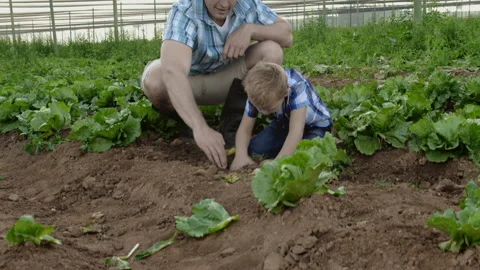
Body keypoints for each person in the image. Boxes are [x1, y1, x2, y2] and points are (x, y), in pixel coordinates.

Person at [141, 0, 293, 169]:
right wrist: (200, 127)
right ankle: (188, 125)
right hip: (189, 82)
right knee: (155, 81)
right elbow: (173, 72)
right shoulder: (185, 11)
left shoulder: (247, 5)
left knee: (272, 51)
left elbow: (286, 36)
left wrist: (250, 29)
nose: (224, 4)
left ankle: (232, 127)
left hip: (227, 80)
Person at [230, 61, 332, 171]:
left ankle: (287, 152)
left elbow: (296, 131)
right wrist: (240, 156)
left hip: (315, 126)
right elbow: (245, 128)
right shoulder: (255, 92)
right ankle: (287, 149)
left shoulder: (297, 86)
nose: (262, 112)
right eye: (259, 108)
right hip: (286, 122)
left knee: (306, 155)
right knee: (256, 149)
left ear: (286, 93)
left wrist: (278, 162)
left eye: (269, 109)